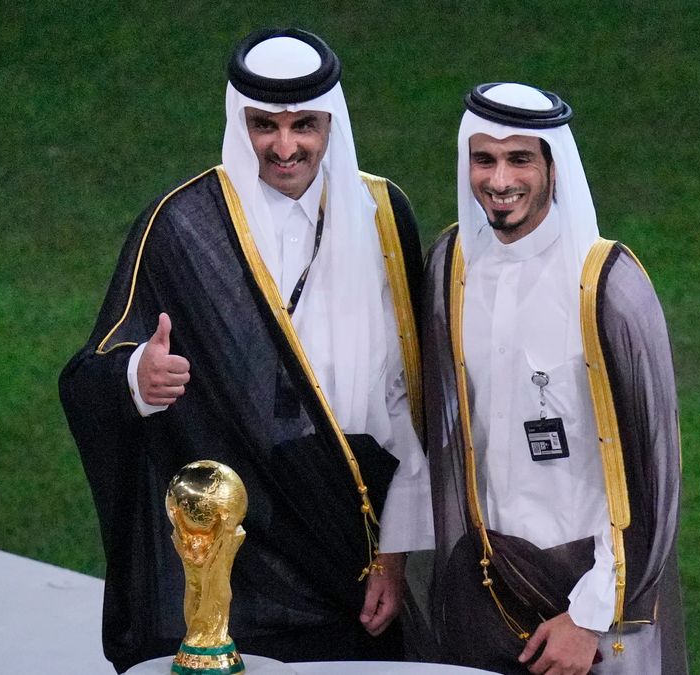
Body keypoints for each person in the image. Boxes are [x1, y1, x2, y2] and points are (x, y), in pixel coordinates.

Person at [59, 28, 433, 673]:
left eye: (304, 126)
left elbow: (406, 399)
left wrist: (393, 555)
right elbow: (89, 372)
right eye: (265, 125)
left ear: (331, 122)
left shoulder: (382, 214)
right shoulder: (182, 223)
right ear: (240, 122)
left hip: (350, 528)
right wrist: (136, 379)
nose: (285, 147)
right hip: (237, 534)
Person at [422, 83, 688, 675]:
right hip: (485, 586)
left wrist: (591, 614)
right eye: (483, 158)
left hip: (589, 606)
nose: (499, 179)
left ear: (552, 167)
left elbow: (652, 471)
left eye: (520, 159)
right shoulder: (450, 268)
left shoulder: (608, 287)